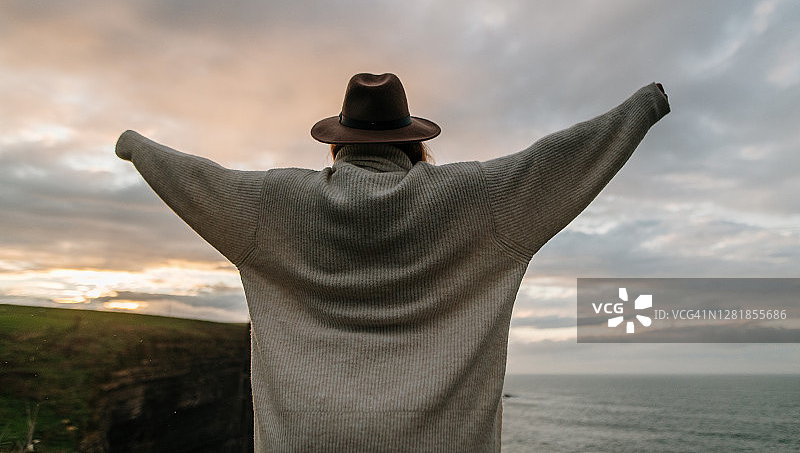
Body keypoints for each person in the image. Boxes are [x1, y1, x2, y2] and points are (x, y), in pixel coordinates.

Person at [115, 73, 669, 452]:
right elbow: (564, 156)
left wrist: (135, 145)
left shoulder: (273, 204)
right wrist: (642, 107)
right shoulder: (481, 198)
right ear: (412, 143)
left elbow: (192, 175)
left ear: (337, 144)